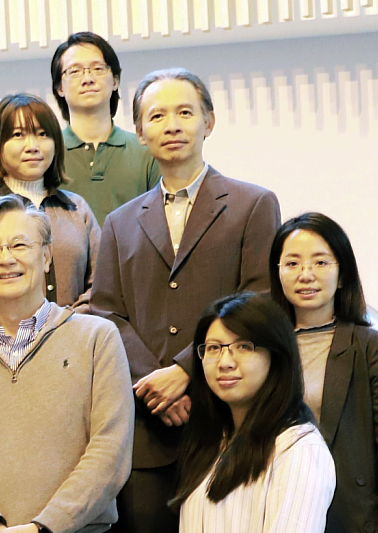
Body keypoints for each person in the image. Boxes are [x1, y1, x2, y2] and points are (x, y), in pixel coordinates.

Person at [90, 68, 281, 532]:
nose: (171, 125)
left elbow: (261, 299)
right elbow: (105, 311)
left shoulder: (252, 204)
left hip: (226, 421)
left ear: (208, 122)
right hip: (146, 428)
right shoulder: (118, 222)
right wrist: (155, 384)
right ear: (139, 132)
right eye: (157, 115)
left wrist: (183, 371)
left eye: (184, 112)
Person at [0, 194, 134, 533]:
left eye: (20, 245)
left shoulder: (97, 339)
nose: (6, 259)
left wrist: (43, 527)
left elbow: (111, 451)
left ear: (47, 256)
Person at [269, 213, 378, 533]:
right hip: (278, 510)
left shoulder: (372, 347)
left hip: (352, 514)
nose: (306, 274)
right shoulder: (264, 348)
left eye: (320, 262)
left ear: (343, 273)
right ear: (277, 273)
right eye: (292, 264)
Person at [173, 292, 335, 532]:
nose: (225, 362)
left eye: (243, 346)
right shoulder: (212, 441)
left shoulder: (299, 449)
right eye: (214, 348)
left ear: (276, 356)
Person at [0, 94, 99, 312]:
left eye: (42, 134)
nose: (32, 146)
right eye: (18, 135)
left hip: (73, 339)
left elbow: (101, 283)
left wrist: (67, 323)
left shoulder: (76, 207)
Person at [51, 32, 160, 224]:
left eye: (97, 68)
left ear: (115, 80)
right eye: (75, 71)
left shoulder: (147, 151)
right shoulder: (46, 153)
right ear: (60, 87)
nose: (88, 79)